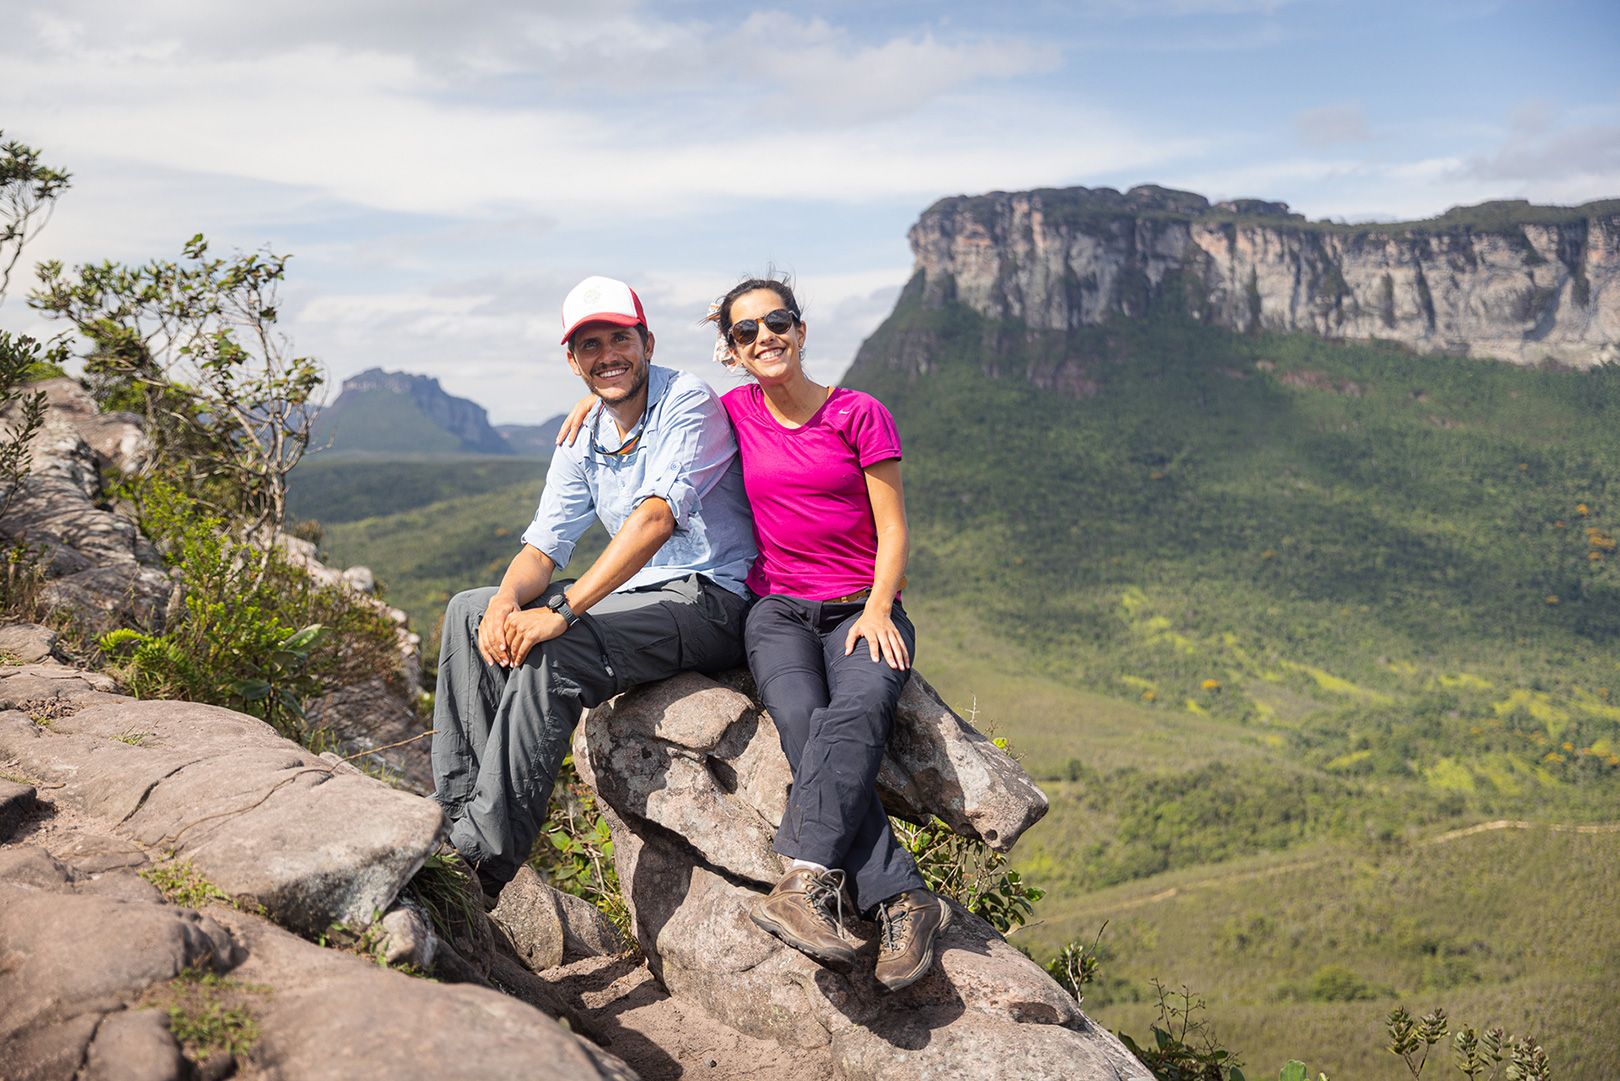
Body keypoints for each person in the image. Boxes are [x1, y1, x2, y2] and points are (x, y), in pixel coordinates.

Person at [560, 275, 949, 991]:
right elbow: (655, 400)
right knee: (802, 718)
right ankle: (905, 898)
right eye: (746, 330)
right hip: (776, 609)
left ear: (800, 331)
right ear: (731, 350)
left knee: (859, 707)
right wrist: (600, 400)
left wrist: (877, 607)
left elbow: (893, 527)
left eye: (777, 321)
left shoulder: (860, 413)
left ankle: (808, 881)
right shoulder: (732, 411)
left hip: (860, 604)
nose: (764, 336)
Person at [432, 275, 756, 906]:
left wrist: (562, 610)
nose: (608, 354)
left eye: (620, 338)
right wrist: (506, 602)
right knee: (469, 611)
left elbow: (656, 520)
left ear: (647, 341)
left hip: (713, 596)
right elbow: (544, 545)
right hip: (639, 595)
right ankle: (457, 820)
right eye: (590, 345)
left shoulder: (685, 402)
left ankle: (478, 867)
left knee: (559, 649)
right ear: (572, 359)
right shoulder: (584, 431)